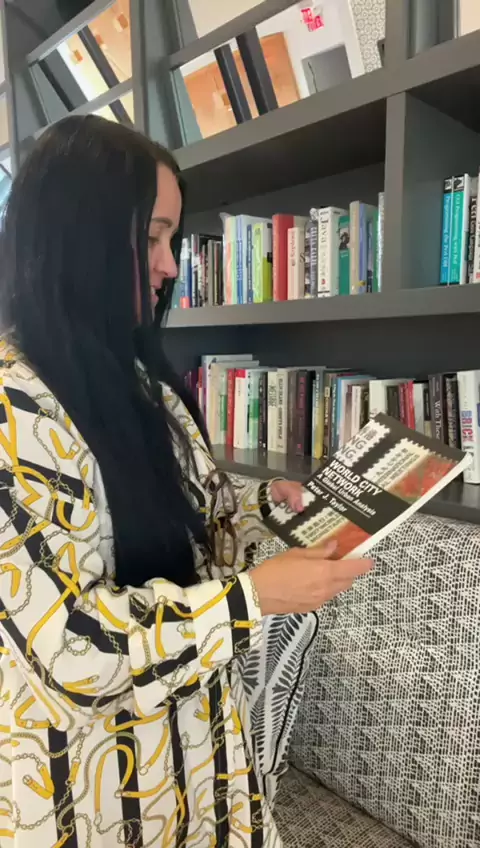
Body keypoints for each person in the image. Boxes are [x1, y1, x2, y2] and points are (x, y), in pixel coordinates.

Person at [0, 115, 371, 847]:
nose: (171, 266)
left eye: (172, 238)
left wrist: (264, 508)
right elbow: (72, 647)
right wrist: (252, 599)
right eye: (152, 238)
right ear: (79, 237)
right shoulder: (14, 409)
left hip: (200, 767)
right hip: (94, 798)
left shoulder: (142, 381)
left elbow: (174, 525)